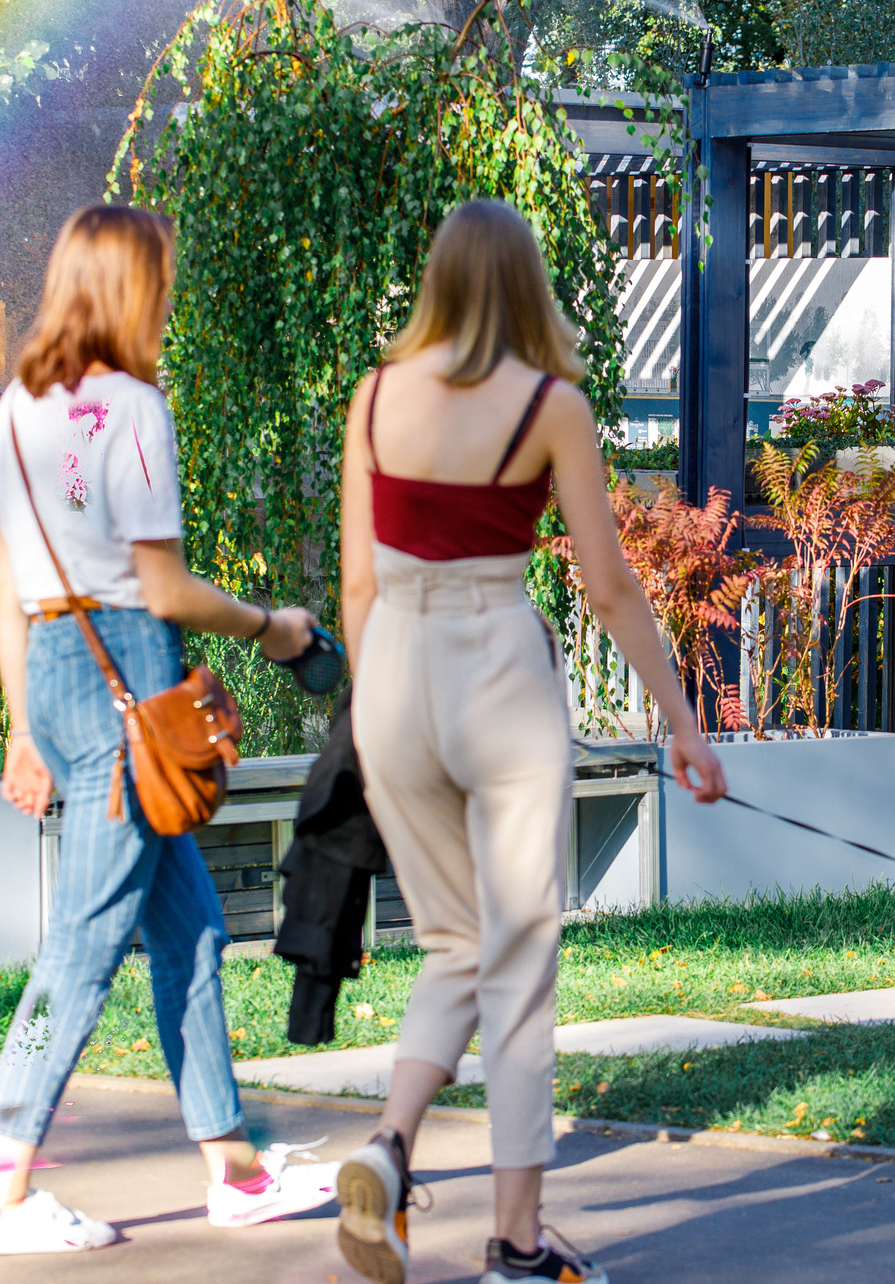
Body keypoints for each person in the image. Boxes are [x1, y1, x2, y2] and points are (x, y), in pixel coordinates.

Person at [333, 199, 728, 1284]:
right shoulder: (552, 406)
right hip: (497, 667)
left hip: (394, 677)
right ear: (526, 284)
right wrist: (682, 722)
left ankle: (388, 1145)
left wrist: (368, 721)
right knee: (517, 957)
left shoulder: (372, 400)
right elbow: (606, 586)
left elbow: (356, 585)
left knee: (455, 943)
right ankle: (513, 1240)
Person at [0, 204, 330, 1254]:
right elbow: (162, 587)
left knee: (192, 930)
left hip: (56, 670)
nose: (169, 297)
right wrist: (271, 626)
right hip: (131, 667)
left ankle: (235, 1169)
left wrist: (18, 728)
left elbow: (4, 577)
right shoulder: (131, 406)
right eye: (161, 279)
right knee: (84, 938)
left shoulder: (16, 411)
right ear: (134, 288)